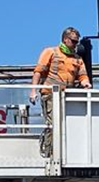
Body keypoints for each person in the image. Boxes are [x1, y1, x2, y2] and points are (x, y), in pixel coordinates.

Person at [29, 27, 92, 158]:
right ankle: (50, 153)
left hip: (68, 96)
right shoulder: (51, 52)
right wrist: (33, 91)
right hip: (50, 94)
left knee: (68, 123)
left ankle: (66, 152)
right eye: (73, 41)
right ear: (65, 39)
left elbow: (82, 75)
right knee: (53, 123)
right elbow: (38, 72)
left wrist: (85, 82)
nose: (75, 45)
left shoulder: (77, 59)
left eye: (77, 42)